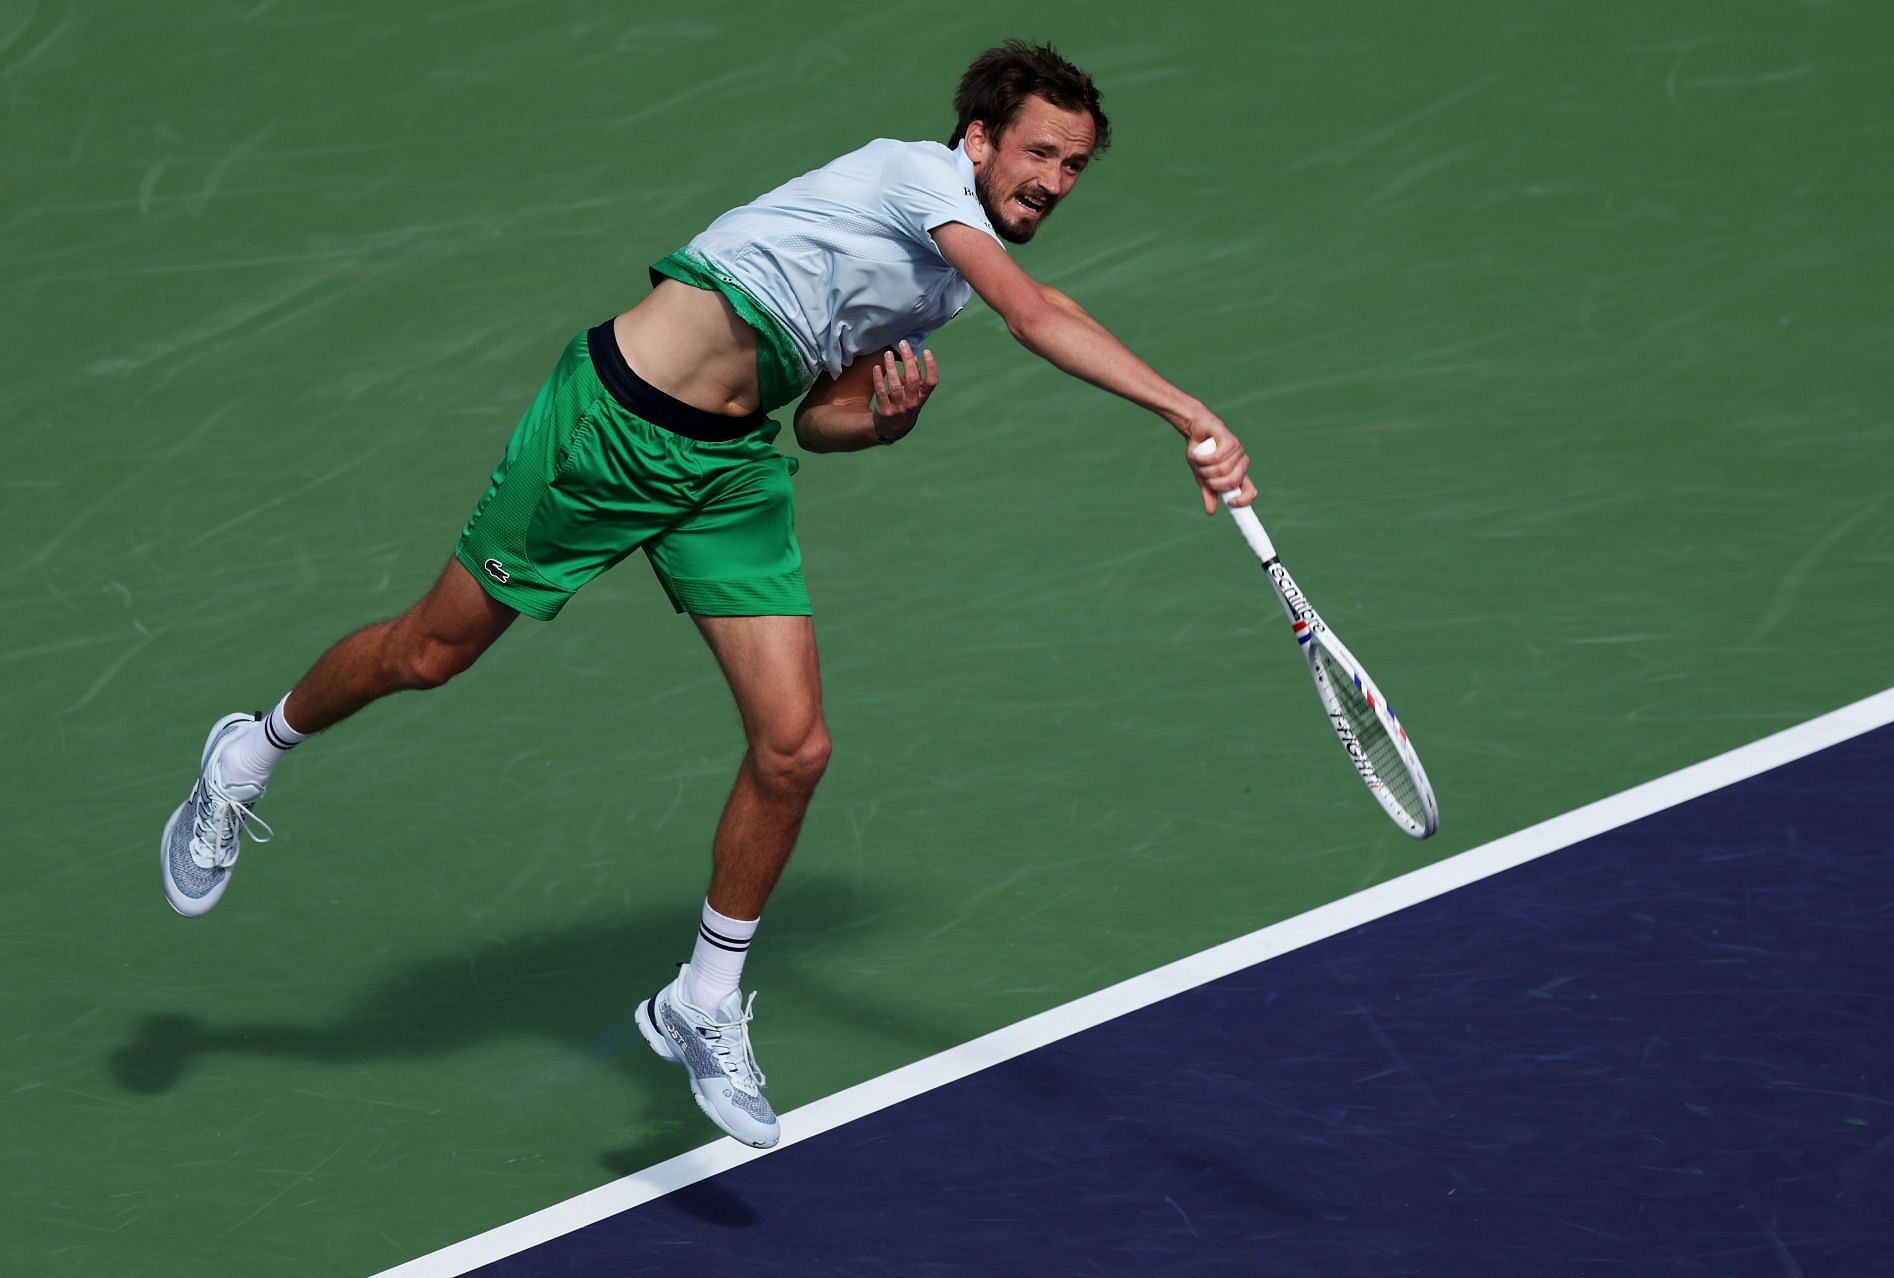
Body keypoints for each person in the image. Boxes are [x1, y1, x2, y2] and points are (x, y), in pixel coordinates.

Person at [159, 40, 1255, 1149]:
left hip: (726, 470)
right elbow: (1038, 313)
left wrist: (885, 421)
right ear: (977, 139)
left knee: (797, 748)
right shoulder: (916, 176)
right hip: (607, 430)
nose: (1054, 184)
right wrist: (1190, 414)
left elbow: (823, 417)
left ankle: (702, 999)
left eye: (1073, 168)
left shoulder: (943, 282)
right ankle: (248, 753)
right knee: (430, 653)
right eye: (1039, 154)